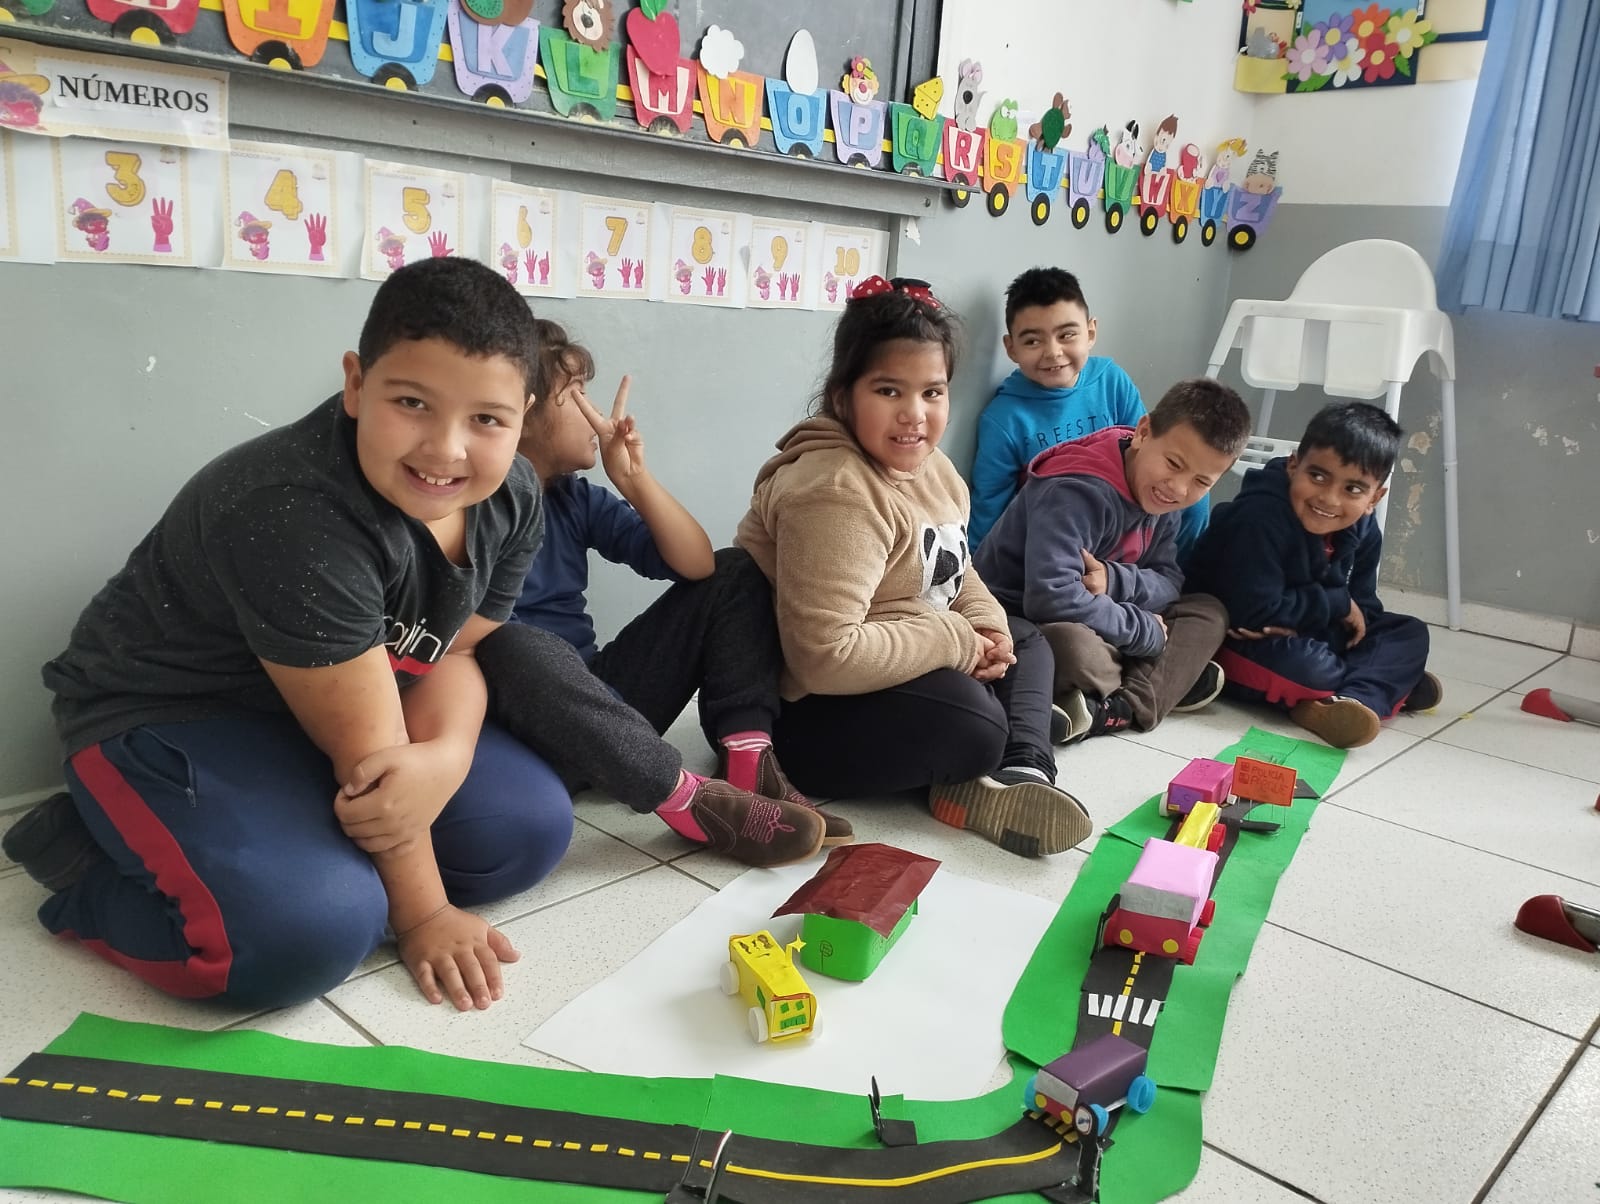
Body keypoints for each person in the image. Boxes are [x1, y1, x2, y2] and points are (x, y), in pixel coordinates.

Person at [2, 258, 575, 1014]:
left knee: (526, 831)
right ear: (356, 384)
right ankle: (84, 867)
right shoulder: (292, 509)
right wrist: (424, 915)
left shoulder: (514, 496)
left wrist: (445, 757)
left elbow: (458, 648)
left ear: (524, 413)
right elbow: (366, 753)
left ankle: (285, 848)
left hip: (333, 707)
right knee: (303, 937)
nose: (445, 450)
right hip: (172, 714)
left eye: (487, 420)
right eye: (411, 402)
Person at [736, 275, 1093, 858]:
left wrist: (986, 628)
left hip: (896, 648)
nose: (914, 415)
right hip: (802, 716)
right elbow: (824, 658)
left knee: (1026, 640)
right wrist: (957, 640)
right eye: (888, 391)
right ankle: (998, 742)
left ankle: (1022, 771)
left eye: (932, 392)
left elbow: (954, 569)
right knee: (974, 722)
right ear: (842, 397)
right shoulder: (835, 491)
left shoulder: (931, 466)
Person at [475, 320, 846, 867]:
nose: (593, 410)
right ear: (522, 413)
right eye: (574, 394)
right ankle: (687, 799)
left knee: (734, 570)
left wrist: (634, 480)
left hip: (605, 701)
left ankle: (749, 764)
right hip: (529, 731)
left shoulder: (573, 498)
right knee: (511, 642)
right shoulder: (470, 505)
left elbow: (696, 565)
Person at [974, 379, 1252, 741]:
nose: (1179, 488)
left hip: (1106, 614)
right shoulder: (1074, 490)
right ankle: (1159, 684)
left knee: (1208, 612)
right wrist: (1147, 633)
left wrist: (1114, 580)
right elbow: (1050, 600)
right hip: (1027, 621)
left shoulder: (1164, 497)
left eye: (1202, 482)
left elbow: (1169, 582)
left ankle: (1113, 707)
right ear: (1143, 432)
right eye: (1173, 463)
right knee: (1073, 649)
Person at [1183, 402, 1441, 748]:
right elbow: (1254, 612)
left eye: (1353, 489)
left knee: (1409, 632)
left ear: (1374, 498)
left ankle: (1350, 702)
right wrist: (1336, 603)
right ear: (1294, 466)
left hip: (1301, 625)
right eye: (1317, 476)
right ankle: (1378, 685)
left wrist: (1329, 617)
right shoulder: (1259, 517)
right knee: (1313, 670)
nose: (1329, 499)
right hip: (1236, 634)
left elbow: (1363, 611)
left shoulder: (1364, 529)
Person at [966, 267, 1209, 561]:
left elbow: (1149, 451)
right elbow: (988, 512)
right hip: (1055, 541)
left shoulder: (1112, 381)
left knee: (1194, 497)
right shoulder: (1003, 419)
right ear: (1011, 348)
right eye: (1032, 341)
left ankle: (1178, 575)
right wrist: (976, 575)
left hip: (1120, 523)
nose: (1053, 352)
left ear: (1090, 332)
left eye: (1067, 335)